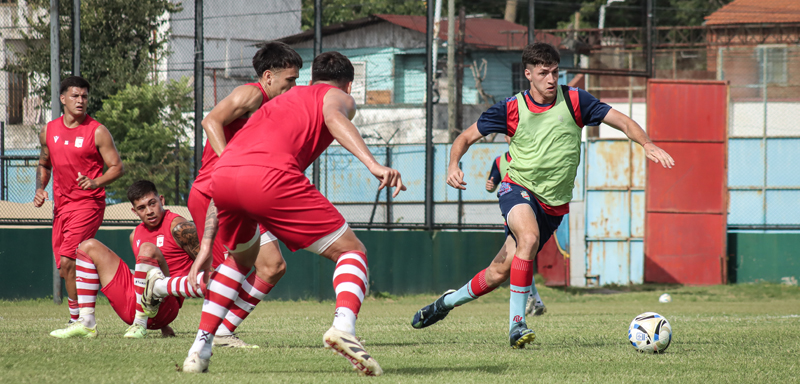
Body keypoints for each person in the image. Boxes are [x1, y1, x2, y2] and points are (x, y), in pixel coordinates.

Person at [411, 42, 674, 348]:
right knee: (529, 238)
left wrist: (646, 143)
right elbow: (465, 137)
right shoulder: (511, 108)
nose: (551, 79)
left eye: (554, 72)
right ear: (528, 74)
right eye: (543, 73)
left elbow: (624, 122)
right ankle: (517, 325)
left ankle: (445, 303)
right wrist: (453, 164)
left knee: (498, 272)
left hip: (553, 205)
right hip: (517, 187)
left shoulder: (576, 101)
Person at [180, 51, 405, 376]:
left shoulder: (272, 103)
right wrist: (373, 164)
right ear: (349, 85)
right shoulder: (337, 96)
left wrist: (206, 246)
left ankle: (199, 350)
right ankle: (343, 327)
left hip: (224, 178)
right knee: (353, 251)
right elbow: (334, 116)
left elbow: (231, 161)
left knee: (242, 260)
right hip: (271, 177)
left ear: (310, 78)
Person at [185, 41, 302, 348]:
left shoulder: (272, 107)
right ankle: (165, 295)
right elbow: (210, 120)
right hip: (215, 192)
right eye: (289, 80)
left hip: (242, 193)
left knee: (272, 266)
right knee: (229, 270)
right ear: (268, 76)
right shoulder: (251, 94)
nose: (293, 86)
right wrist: (230, 164)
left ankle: (222, 329)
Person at [49, 180, 198, 339]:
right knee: (88, 246)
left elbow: (207, 262)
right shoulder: (135, 235)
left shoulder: (179, 227)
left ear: (162, 200)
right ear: (135, 212)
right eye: (141, 208)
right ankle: (86, 322)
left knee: (148, 249)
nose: (149, 211)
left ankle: (140, 324)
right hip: (134, 307)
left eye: (152, 203)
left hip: (167, 307)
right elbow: (144, 279)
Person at [34, 76, 124, 327]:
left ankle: (84, 322)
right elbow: (44, 163)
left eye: (84, 96)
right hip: (61, 207)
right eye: (75, 96)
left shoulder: (97, 131)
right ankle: (78, 320)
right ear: (62, 99)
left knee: (69, 260)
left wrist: (96, 182)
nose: (80, 101)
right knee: (65, 268)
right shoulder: (48, 130)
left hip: (88, 204)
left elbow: (117, 167)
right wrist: (40, 189)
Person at [484, 136, 547, 317]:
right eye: (510, 133)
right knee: (520, 256)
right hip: (512, 212)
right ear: (506, 137)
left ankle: (531, 299)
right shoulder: (499, 161)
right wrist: (490, 185)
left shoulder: (533, 156)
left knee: (521, 255)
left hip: (530, 211)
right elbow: (492, 183)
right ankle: (533, 298)